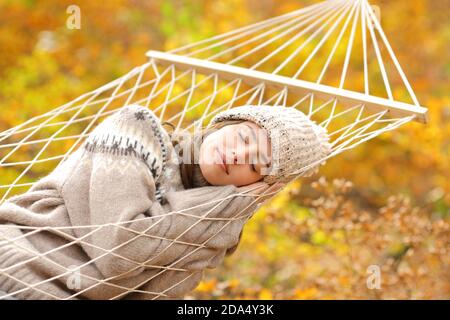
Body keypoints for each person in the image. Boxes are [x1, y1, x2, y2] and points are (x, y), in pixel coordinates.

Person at [0, 104, 331, 300]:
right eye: (244, 137)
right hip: (12, 267)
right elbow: (120, 250)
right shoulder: (136, 131)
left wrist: (225, 211)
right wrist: (218, 207)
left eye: (256, 165)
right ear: (225, 123)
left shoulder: (216, 228)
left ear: (258, 187)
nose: (238, 154)